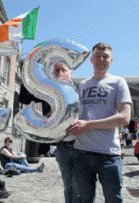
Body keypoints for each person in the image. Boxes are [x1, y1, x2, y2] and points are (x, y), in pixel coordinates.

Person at [66, 43, 132, 202]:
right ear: (91, 59)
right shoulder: (82, 85)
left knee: (113, 199)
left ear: (111, 60)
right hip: (82, 152)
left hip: (108, 154)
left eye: (105, 57)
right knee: (84, 200)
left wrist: (88, 125)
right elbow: (77, 114)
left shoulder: (118, 82)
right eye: (97, 56)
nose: (101, 60)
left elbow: (124, 118)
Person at [51, 62, 80, 203]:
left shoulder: (81, 90)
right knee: (68, 185)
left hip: (81, 145)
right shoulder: (50, 94)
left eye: (63, 69)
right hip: (62, 146)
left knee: (81, 185)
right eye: (56, 70)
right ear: (52, 74)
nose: (60, 72)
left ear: (71, 73)